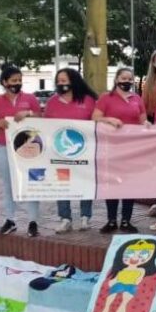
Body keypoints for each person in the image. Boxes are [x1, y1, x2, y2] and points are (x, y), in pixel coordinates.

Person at [0, 65, 42, 237]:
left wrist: (27, 113)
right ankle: (10, 219)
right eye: (13, 80)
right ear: (4, 82)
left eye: (19, 80)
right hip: (5, 147)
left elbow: (41, 117)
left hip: (29, 149)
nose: (17, 83)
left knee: (31, 184)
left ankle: (33, 221)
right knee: (8, 185)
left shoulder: (30, 98)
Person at [43, 68, 98, 233]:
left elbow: (96, 122)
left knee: (85, 183)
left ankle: (85, 217)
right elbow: (45, 126)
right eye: (58, 81)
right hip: (60, 152)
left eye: (64, 80)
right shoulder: (52, 102)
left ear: (73, 81)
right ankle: (65, 218)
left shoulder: (88, 100)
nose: (61, 84)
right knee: (62, 184)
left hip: (84, 151)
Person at [93, 67, 146, 234]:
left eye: (130, 79)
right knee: (112, 183)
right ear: (116, 80)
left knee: (129, 184)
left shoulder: (137, 98)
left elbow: (143, 120)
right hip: (111, 148)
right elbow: (95, 117)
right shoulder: (105, 98)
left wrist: (149, 127)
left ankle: (126, 220)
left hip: (132, 149)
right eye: (124, 78)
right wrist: (109, 119)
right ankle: (111, 220)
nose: (127, 81)